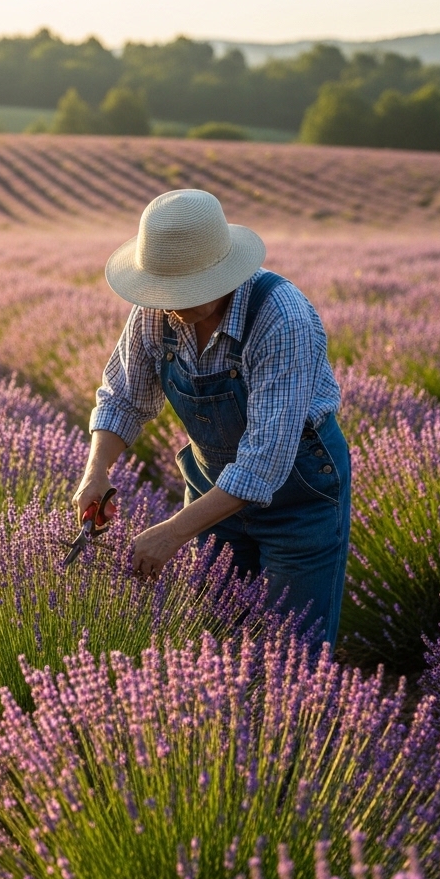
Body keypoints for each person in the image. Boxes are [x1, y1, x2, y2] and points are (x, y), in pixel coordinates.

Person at [74, 188, 350, 649]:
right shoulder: (154, 313)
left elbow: (264, 464)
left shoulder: (280, 317)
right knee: (215, 646)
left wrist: (172, 532)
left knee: (291, 656)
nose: (174, 303)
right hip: (212, 498)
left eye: (188, 288)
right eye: (164, 289)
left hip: (296, 503)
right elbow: (122, 397)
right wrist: (96, 472)